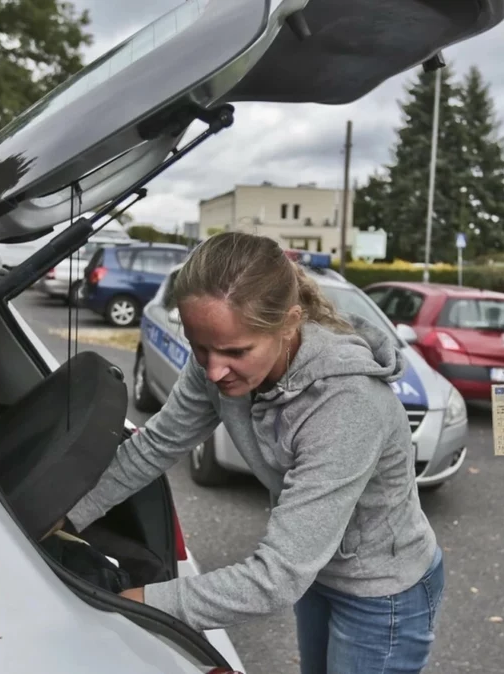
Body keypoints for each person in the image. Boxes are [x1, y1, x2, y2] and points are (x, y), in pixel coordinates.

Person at [61, 231, 445, 674]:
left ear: (289, 324)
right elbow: (155, 445)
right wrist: (64, 518)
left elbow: (276, 578)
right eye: (199, 346)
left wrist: (137, 602)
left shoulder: (347, 405)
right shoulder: (216, 360)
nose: (213, 369)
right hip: (316, 571)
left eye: (235, 351)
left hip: (384, 593)